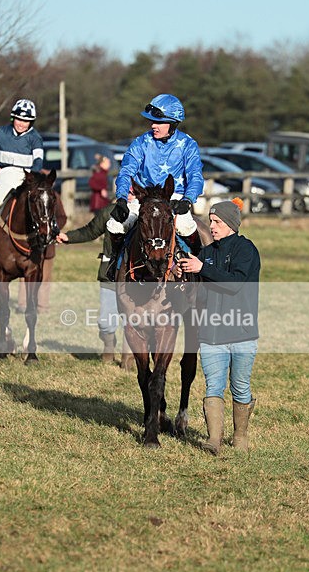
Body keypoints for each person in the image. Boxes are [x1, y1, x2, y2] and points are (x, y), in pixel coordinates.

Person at [178, 198, 260, 456]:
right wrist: (185, 275)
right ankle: (214, 439)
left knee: (240, 386)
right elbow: (199, 292)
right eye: (211, 222)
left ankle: (240, 437)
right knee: (213, 386)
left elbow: (235, 283)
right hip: (211, 332)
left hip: (242, 331)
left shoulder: (246, 251)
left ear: (231, 224)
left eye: (218, 222)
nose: (212, 227)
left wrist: (203, 268)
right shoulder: (207, 253)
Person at [105, 94, 204, 277]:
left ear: (172, 123)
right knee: (115, 225)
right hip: (144, 198)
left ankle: (199, 267)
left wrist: (188, 200)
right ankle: (115, 262)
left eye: (158, 122)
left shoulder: (188, 145)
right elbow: (126, 171)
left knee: (187, 226)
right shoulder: (141, 142)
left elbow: (195, 176)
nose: (153, 125)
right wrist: (120, 198)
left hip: (174, 197)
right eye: (152, 121)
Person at [56, 202, 134, 368]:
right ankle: (108, 345)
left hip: (135, 278)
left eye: (135, 187)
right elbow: (91, 231)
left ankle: (128, 357)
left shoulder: (147, 212)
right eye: (127, 186)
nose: (130, 191)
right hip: (109, 274)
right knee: (105, 321)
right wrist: (69, 237)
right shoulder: (110, 212)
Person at [0, 99, 43, 235]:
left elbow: (38, 161)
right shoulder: (0, 133)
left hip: (27, 178)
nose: (21, 124)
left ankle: (48, 232)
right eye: (19, 119)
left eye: (26, 121)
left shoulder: (35, 138)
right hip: (6, 176)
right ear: (13, 118)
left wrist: (31, 180)